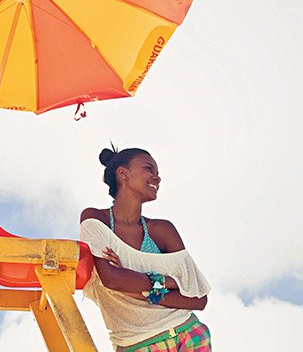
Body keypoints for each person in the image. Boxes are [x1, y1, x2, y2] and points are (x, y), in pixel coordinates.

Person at [80, 147, 211, 351]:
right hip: (137, 344)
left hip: (189, 333)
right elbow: (112, 279)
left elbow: (198, 298)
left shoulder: (162, 230)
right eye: (149, 169)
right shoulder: (96, 219)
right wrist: (169, 282)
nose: (157, 178)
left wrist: (140, 291)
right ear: (123, 174)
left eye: (158, 174)